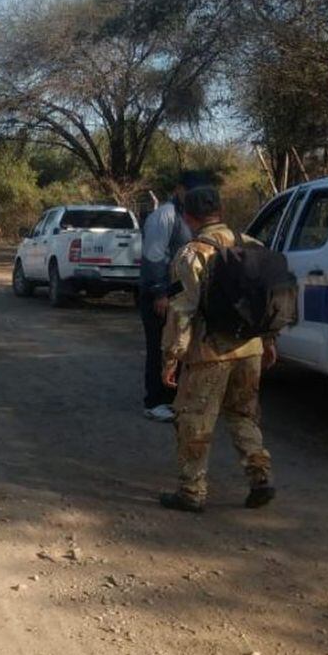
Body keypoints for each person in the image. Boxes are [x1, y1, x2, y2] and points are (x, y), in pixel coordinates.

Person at [160, 185, 277, 513]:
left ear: (187, 216)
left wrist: (171, 357)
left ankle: (191, 491)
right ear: (220, 211)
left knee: (194, 419)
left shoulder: (191, 254)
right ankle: (260, 477)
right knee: (243, 415)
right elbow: (266, 302)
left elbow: (182, 311)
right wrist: (268, 341)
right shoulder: (253, 246)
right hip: (250, 348)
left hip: (210, 353)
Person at [138, 173, 208, 421]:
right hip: (162, 296)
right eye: (192, 191)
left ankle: (176, 400)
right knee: (161, 347)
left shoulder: (194, 218)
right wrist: (159, 292)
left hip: (185, 298)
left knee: (182, 349)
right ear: (179, 189)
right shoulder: (165, 216)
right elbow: (153, 256)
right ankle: (155, 401)